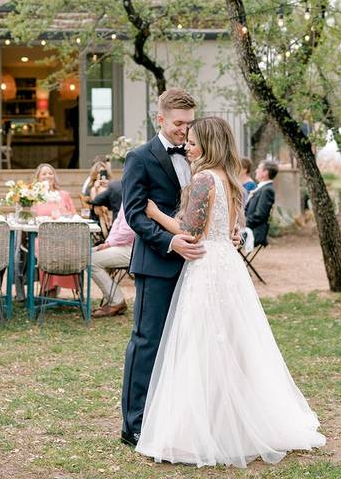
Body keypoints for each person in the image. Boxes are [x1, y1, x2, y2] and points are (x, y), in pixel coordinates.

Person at [135, 117, 324, 466]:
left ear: (208, 145)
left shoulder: (205, 178)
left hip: (207, 267)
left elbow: (190, 231)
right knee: (233, 344)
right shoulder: (230, 179)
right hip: (228, 267)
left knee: (202, 343)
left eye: (193, 142)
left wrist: (154, 211)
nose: (188, 147)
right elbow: (233, 228)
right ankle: (231, 422)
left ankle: (205, 431)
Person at [120, 88, 202, 448]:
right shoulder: (139, 157)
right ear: (160, 119)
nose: (185, 130)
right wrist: (170, 241)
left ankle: (174, 418)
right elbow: (136, 213)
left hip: (197, 266)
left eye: (189, 123)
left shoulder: (198, 155)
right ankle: (134, 423)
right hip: (157, 263)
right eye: (179, 123)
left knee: (187, 342)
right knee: (147, 341)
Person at [31, 163, 78, 296]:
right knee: (45, 246)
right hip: (42, 236)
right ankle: (47, 287)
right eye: (44, 174)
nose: (48, 176)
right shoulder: (33, 196)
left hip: (63, 235)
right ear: (38, 177)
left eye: (50, 173)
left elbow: (74, 215)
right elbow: (30, 216)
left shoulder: (63, 194)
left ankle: (54, 286)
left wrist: (62, 214)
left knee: (67, 247)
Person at [89, 205, 134, 318]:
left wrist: (110, 244)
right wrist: (108, 242)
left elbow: (130, 230)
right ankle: (112, 299)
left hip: (133, 249)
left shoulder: (138, 194)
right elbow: (117, 222)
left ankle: (116, 302)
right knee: (86, 254)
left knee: (90, 261)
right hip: (120, 245)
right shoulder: (126, 195)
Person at [245, 160, 278, 248]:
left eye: (259, 168)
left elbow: (260, 215)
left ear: (265, 173)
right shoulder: (261, 188)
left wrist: (243, 223)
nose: (256, 170)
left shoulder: (267, 190)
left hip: (254, 231)